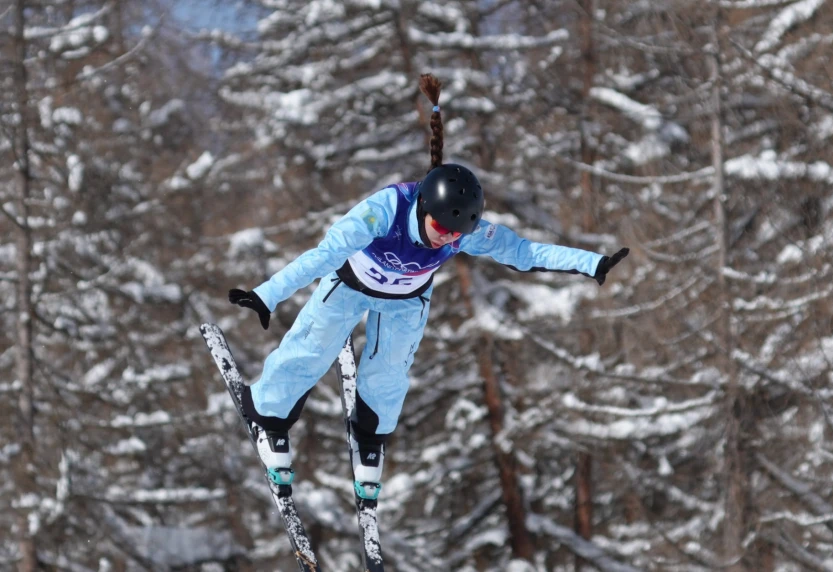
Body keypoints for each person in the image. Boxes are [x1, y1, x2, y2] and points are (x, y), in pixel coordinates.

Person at [229, 74, 629, 498]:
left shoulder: (462, 229)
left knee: (389, 374)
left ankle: (369, 439)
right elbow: (324, 254)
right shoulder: (382, 211)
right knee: (312, 348)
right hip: (349, 283)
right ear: (424, 206)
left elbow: (524, 253)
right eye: (440, 227)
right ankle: (268, 416)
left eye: (455, 235)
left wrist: (591, 264)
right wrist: (267, 294)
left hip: (407, 300)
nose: (446, 238)